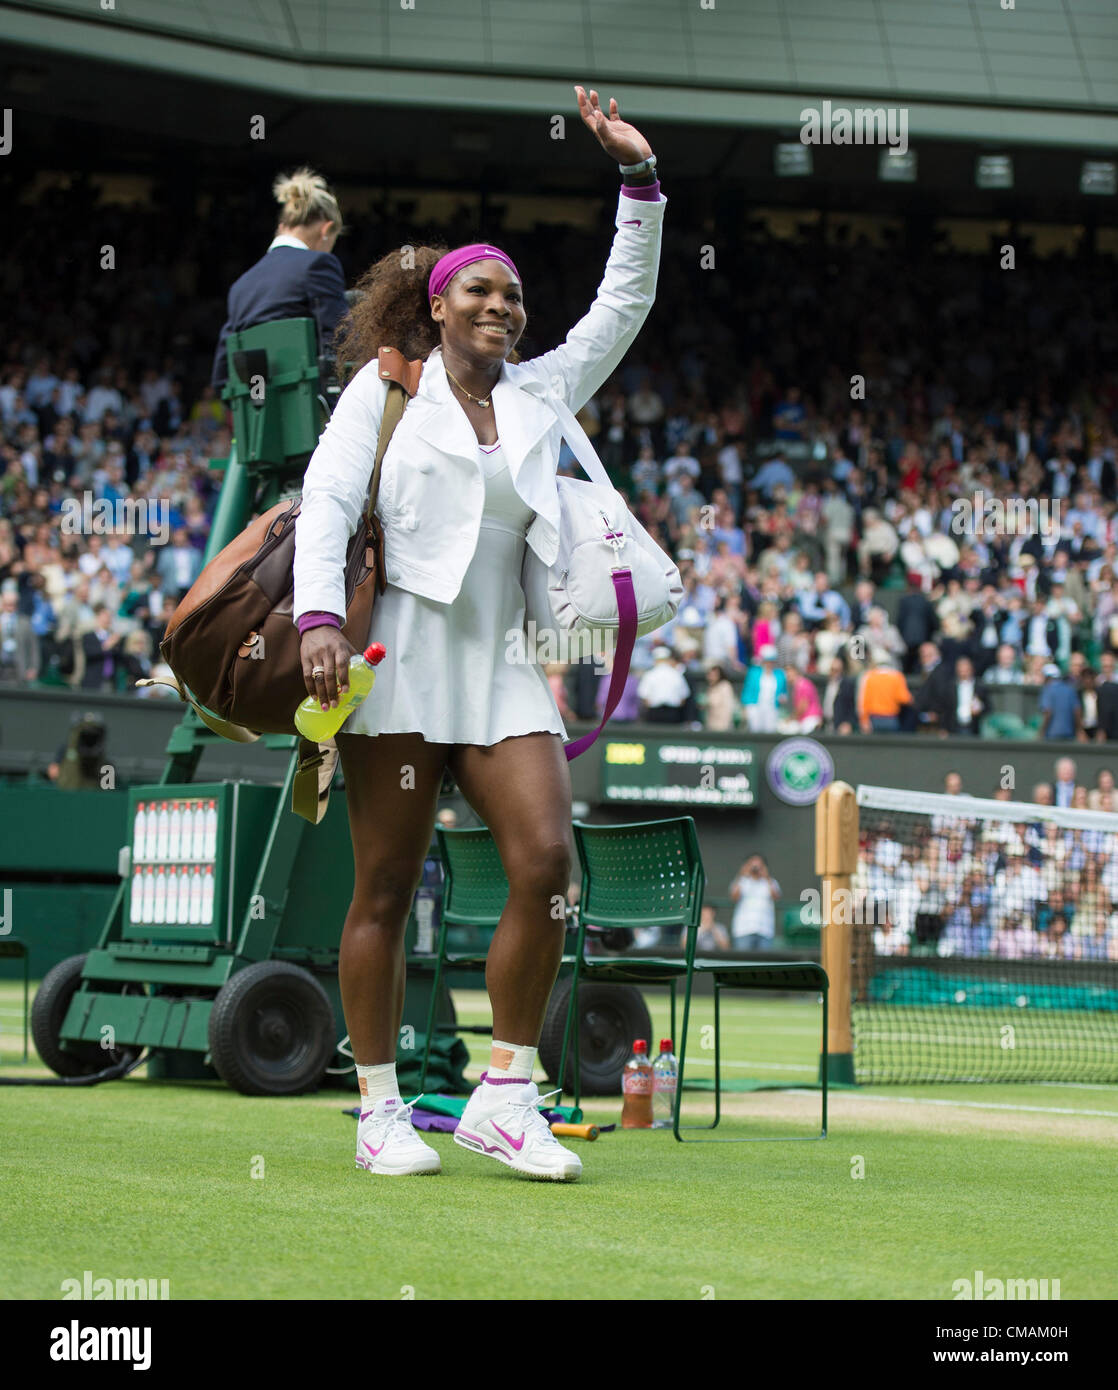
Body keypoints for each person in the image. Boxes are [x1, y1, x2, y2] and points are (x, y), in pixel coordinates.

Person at [291, 86, 664, 1182]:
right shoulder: (385, 386)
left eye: (510, 293)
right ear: (440, 307)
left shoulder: (545, 393)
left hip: (503, 665)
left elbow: (624, 303)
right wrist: (318, 618)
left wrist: (636, 181)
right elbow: (323, 503)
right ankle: (376, 1108)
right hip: (396, 661)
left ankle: (506, 1094)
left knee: (547, 864)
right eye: (479, 291)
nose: (500, 305)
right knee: (384, 890)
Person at [211, 168, 350, 391]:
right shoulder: (319, 264)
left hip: (255, 419)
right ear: (326, 230)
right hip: (313, 414)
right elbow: (340, 343)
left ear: (281, 227)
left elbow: (221, 377)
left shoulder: (240, 287)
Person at [729, 855, 780, 951]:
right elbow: (733, 897)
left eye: (759, 866)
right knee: (742, 962)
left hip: (765, 930)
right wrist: (741, 875)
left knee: (763, 963)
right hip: (743, 930)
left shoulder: (770, 882)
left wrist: (767, 877)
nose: (756, 868)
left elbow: (776, 897)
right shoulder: (741, 881)